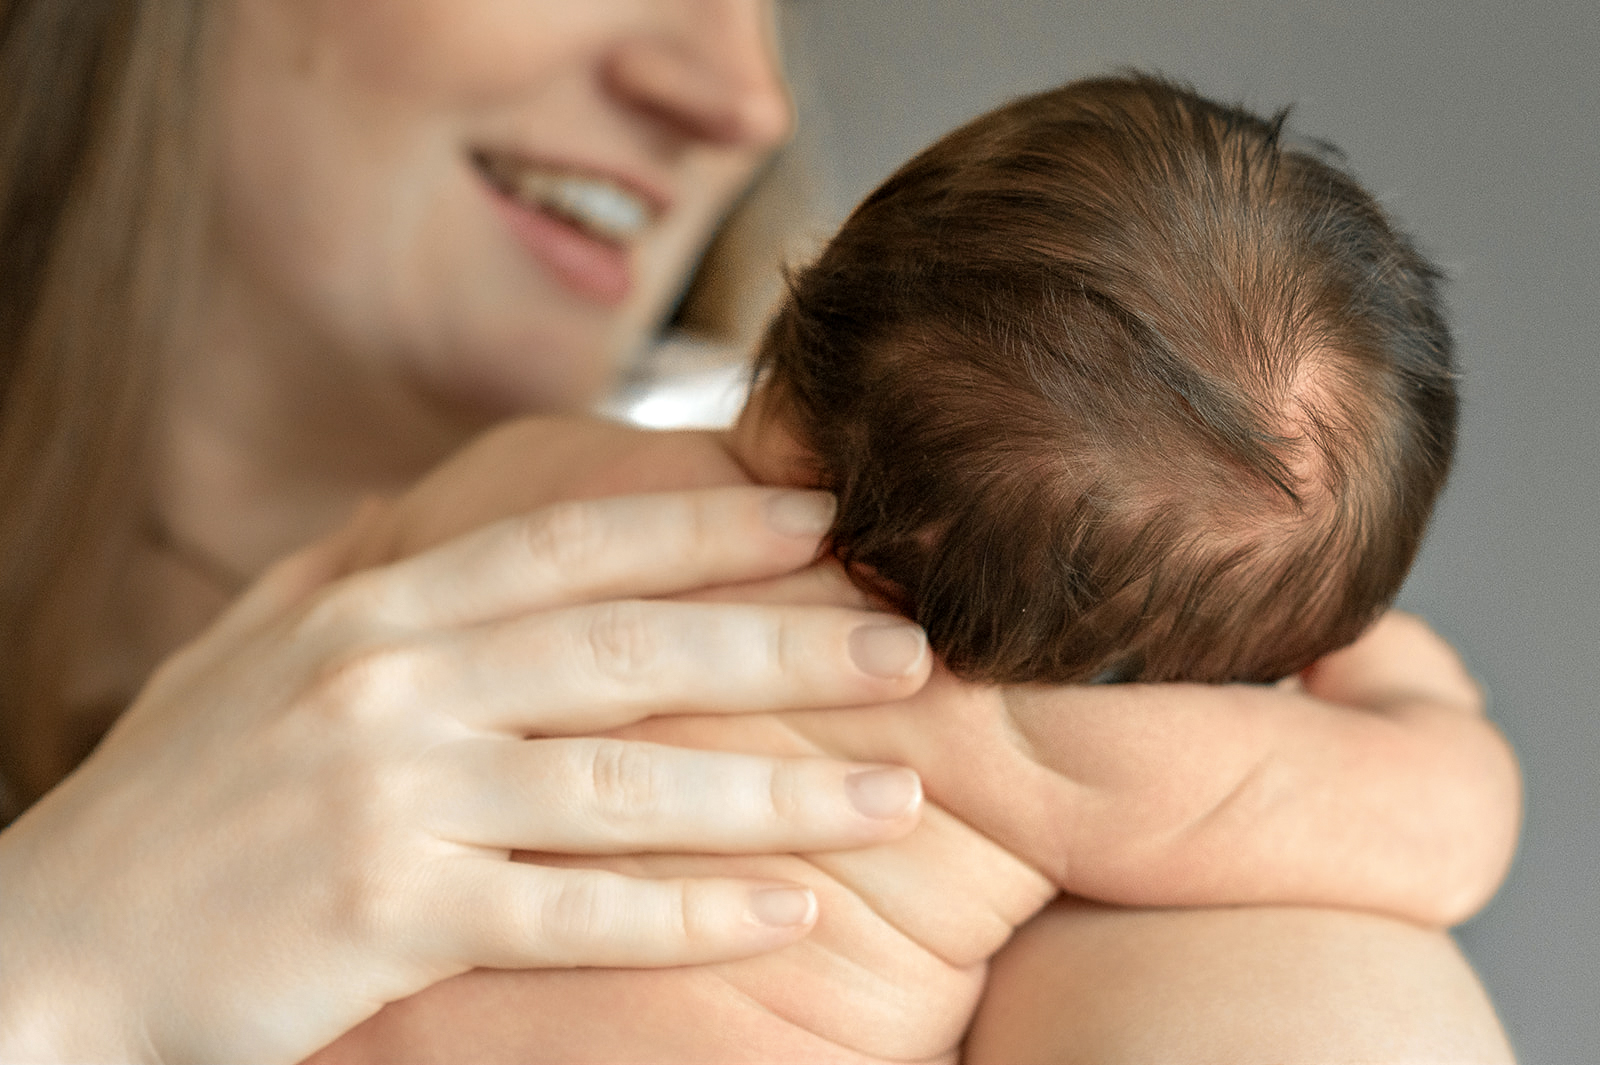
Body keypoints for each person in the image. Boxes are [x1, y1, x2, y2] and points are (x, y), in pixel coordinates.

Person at [0, 2, 1516, 1062]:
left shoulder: (530, 489)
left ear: (804, 319)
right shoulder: (1038, 746)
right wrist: (1411, 697)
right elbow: (1425, 822)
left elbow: (269, 659)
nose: (751, 96)